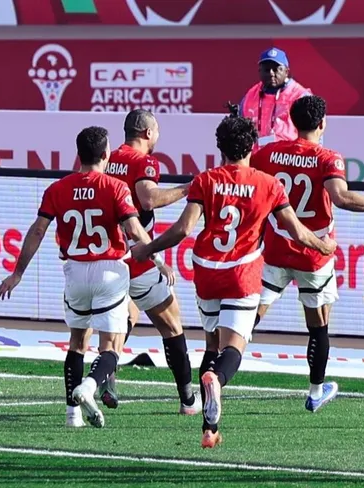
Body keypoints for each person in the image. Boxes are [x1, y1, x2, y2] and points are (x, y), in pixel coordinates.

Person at [132, 114, 336, 449]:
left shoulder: (206, 179)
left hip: (206, 271)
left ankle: (210, 427)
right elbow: (297, 231)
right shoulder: (268, 184)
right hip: (242, 273)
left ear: (220, 147)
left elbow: (183, 229)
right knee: (232, 349)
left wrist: (148, 249)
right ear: (252, 147)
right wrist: (322, 246)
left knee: (211, 345)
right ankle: (217, 379)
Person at [0, 126, 156, 429]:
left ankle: (72, 414)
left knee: (77, 342)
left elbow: (38, 230)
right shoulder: (115, 187)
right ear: (106, 154)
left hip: (75, 270)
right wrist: (158, 260)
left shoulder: (57, 189)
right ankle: (90, 386)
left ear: (78, 154)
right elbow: (135, 231)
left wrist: (17, 273)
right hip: (109, 270)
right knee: (111, 344)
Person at [251, 95, 364, 412]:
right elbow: (341, 198)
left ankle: (220, 366)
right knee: (318, 325)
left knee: (250, 315)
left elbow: (248, 178)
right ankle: (316, 391)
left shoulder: (268, 152)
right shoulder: (328, 158)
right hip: (314, 253)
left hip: (277, 246)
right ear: (322, 123)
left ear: (292, 122)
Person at [103, 109, 197, 415]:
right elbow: (149, 199)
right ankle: (188, 400)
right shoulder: (144, 162)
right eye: (156, 131)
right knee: (172, 324)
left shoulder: (109, 158)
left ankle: (105, 378)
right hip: (137, 256)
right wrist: (188, 189)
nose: (158, 136)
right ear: (147, 133)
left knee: (125, 317)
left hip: (109, 255)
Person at [239, 47, 313, 151]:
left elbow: (314, 135)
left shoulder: (301, 96)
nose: (271, 73)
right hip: (256, 157)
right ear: (259, 71)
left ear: (286, 71)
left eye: (276, 69)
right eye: (266, 69)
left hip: (288, 158)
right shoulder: (250, 96)